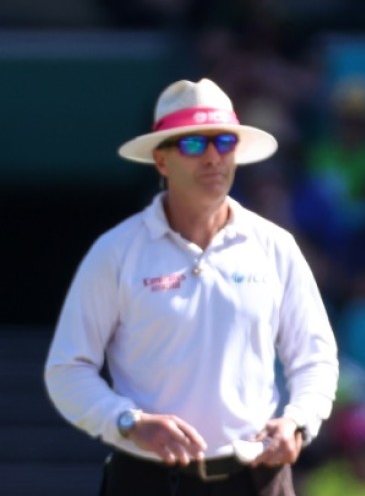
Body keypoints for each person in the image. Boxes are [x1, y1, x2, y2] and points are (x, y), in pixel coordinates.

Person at [44, 78, 340, 496]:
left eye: (223, 142)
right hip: (147, 480)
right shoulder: (116, 251)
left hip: (258, 478)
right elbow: (67, 369)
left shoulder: (275, 246)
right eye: (193, 145)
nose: (214, 158)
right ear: (161, 162)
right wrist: (128, 422)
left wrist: (298, 422)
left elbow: (314, 357)